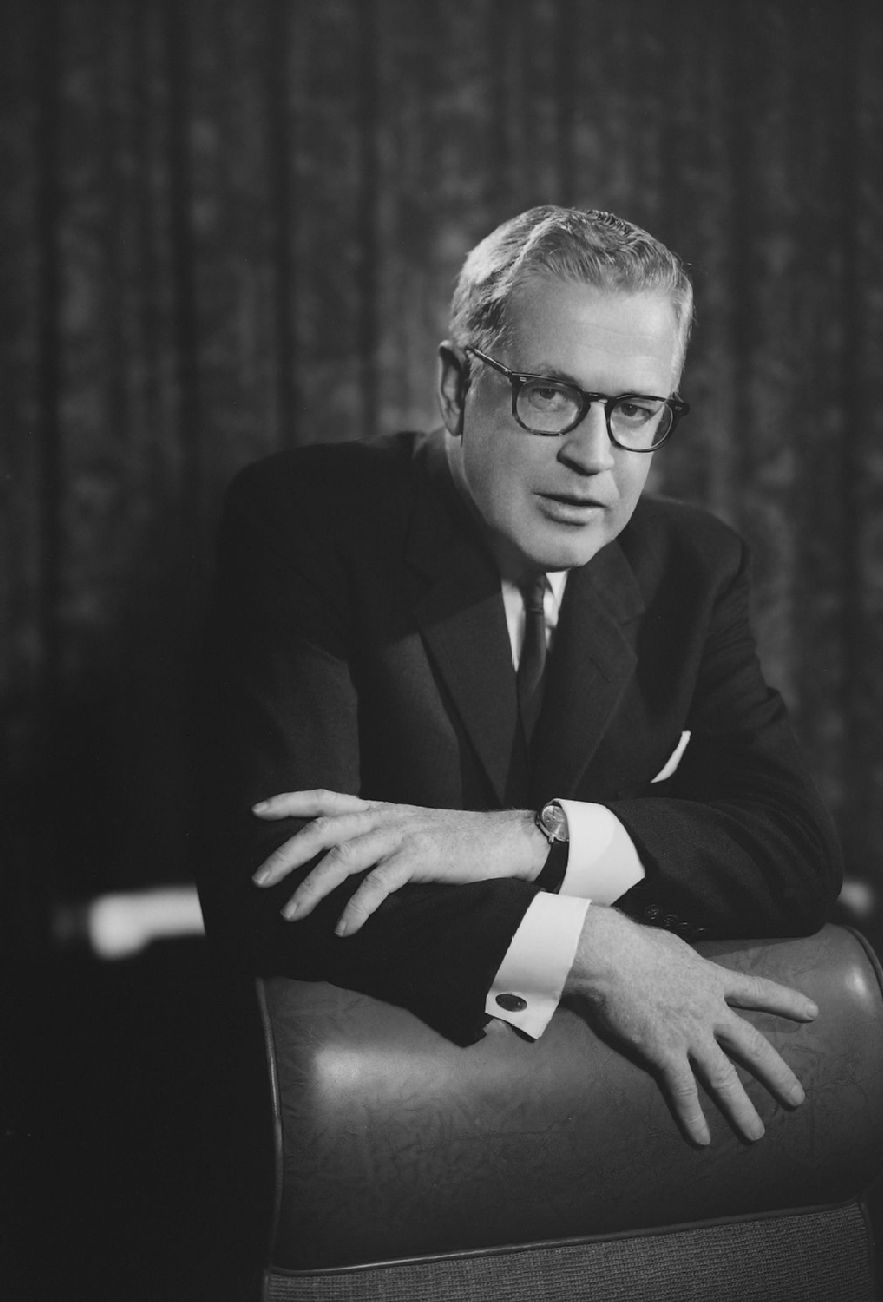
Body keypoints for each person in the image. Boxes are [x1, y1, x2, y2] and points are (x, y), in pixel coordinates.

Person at [195, 205, 842, 1148]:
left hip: (607, 1122)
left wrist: (535, 840)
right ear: (457, 387)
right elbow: (280, 876)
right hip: (393, 1121)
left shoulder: (695, 567)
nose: (593, 457)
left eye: (635, 411)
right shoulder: (307, 521)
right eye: (549, 394)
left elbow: (794, 852)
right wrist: (589, 948)